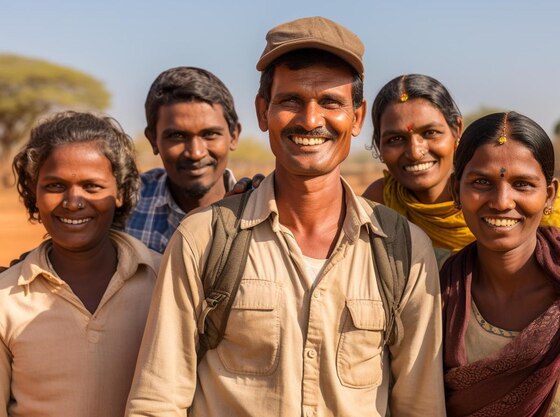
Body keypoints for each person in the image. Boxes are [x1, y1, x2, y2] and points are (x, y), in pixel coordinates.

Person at [126, 16, 445, 416]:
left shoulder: (403, 249)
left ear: (358, 118)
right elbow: (157, 401)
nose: (311, 120)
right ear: (263, 112)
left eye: (331, 102)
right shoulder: (203, 239)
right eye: (291, 100)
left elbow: (421, 406)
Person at [440, 111, 560, 416]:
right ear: (455, 191)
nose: (501, 201)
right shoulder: (435, 296)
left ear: (549, 196)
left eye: (523, 184)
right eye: (481, 182)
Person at [0, 112, 160, 417]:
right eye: (55, 186)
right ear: (34, 192)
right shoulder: (5, 298)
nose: (73, 201)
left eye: (92, 186)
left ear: (121, 193)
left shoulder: (165, 281)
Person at [363, 74, 560, 256]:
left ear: (456, 130)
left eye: (430, 133)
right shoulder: (379, 203)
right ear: (378, 144)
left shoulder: (534, 197)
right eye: (395, 139)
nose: (415, 152)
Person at [126, 66, 246, 253]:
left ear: (233, 136)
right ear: (153, 140)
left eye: (210, 134)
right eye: (177, 136)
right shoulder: (125, 204)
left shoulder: (259, 209)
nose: (196, 153)